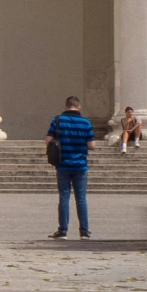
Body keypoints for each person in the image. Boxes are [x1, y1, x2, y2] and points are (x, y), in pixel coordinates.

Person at [47, 96, 95, 239]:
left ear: (65, 106)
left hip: (63, 165)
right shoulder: (86, 123)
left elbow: (48, 141)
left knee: (64, 198)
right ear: (78, 107)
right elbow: (92, 145)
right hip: (80, 165)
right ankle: (84, 232)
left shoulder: (56, 121)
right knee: (81, 199)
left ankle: (63, 231)